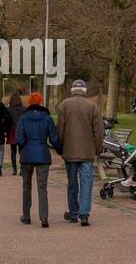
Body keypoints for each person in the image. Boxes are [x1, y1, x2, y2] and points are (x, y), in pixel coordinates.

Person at [56, 78, 104, 226]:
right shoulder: (93, 107)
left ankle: (73, 212)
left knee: (72, 183)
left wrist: (61, 147)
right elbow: (99, 132)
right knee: (86, 183)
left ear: (72, 90)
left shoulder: (64, 105)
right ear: (85, 91)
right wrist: (96, 149)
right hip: (87, 152)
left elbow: (60, 130)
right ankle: (84, 214)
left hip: (70, 152)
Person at [16, 91, 61, 227]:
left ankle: (26, 216)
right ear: (41, 102)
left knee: (26, 186)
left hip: (27, 155)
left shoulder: (24, 118)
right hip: (42, 154)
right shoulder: (47, 118)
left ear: (29, 102)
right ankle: (44, 217)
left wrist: (25, 147)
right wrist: (60, 151)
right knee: (42, 187)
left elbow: (19, 138)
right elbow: (53, 138)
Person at [6, 91, 24, 175]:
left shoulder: (9, 109)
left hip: (12, 131)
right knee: (21, 151)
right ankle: (22, 169)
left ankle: (14, 170)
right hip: (21, 131)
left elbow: (7, 121)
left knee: (13, 151)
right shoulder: (24, 109)